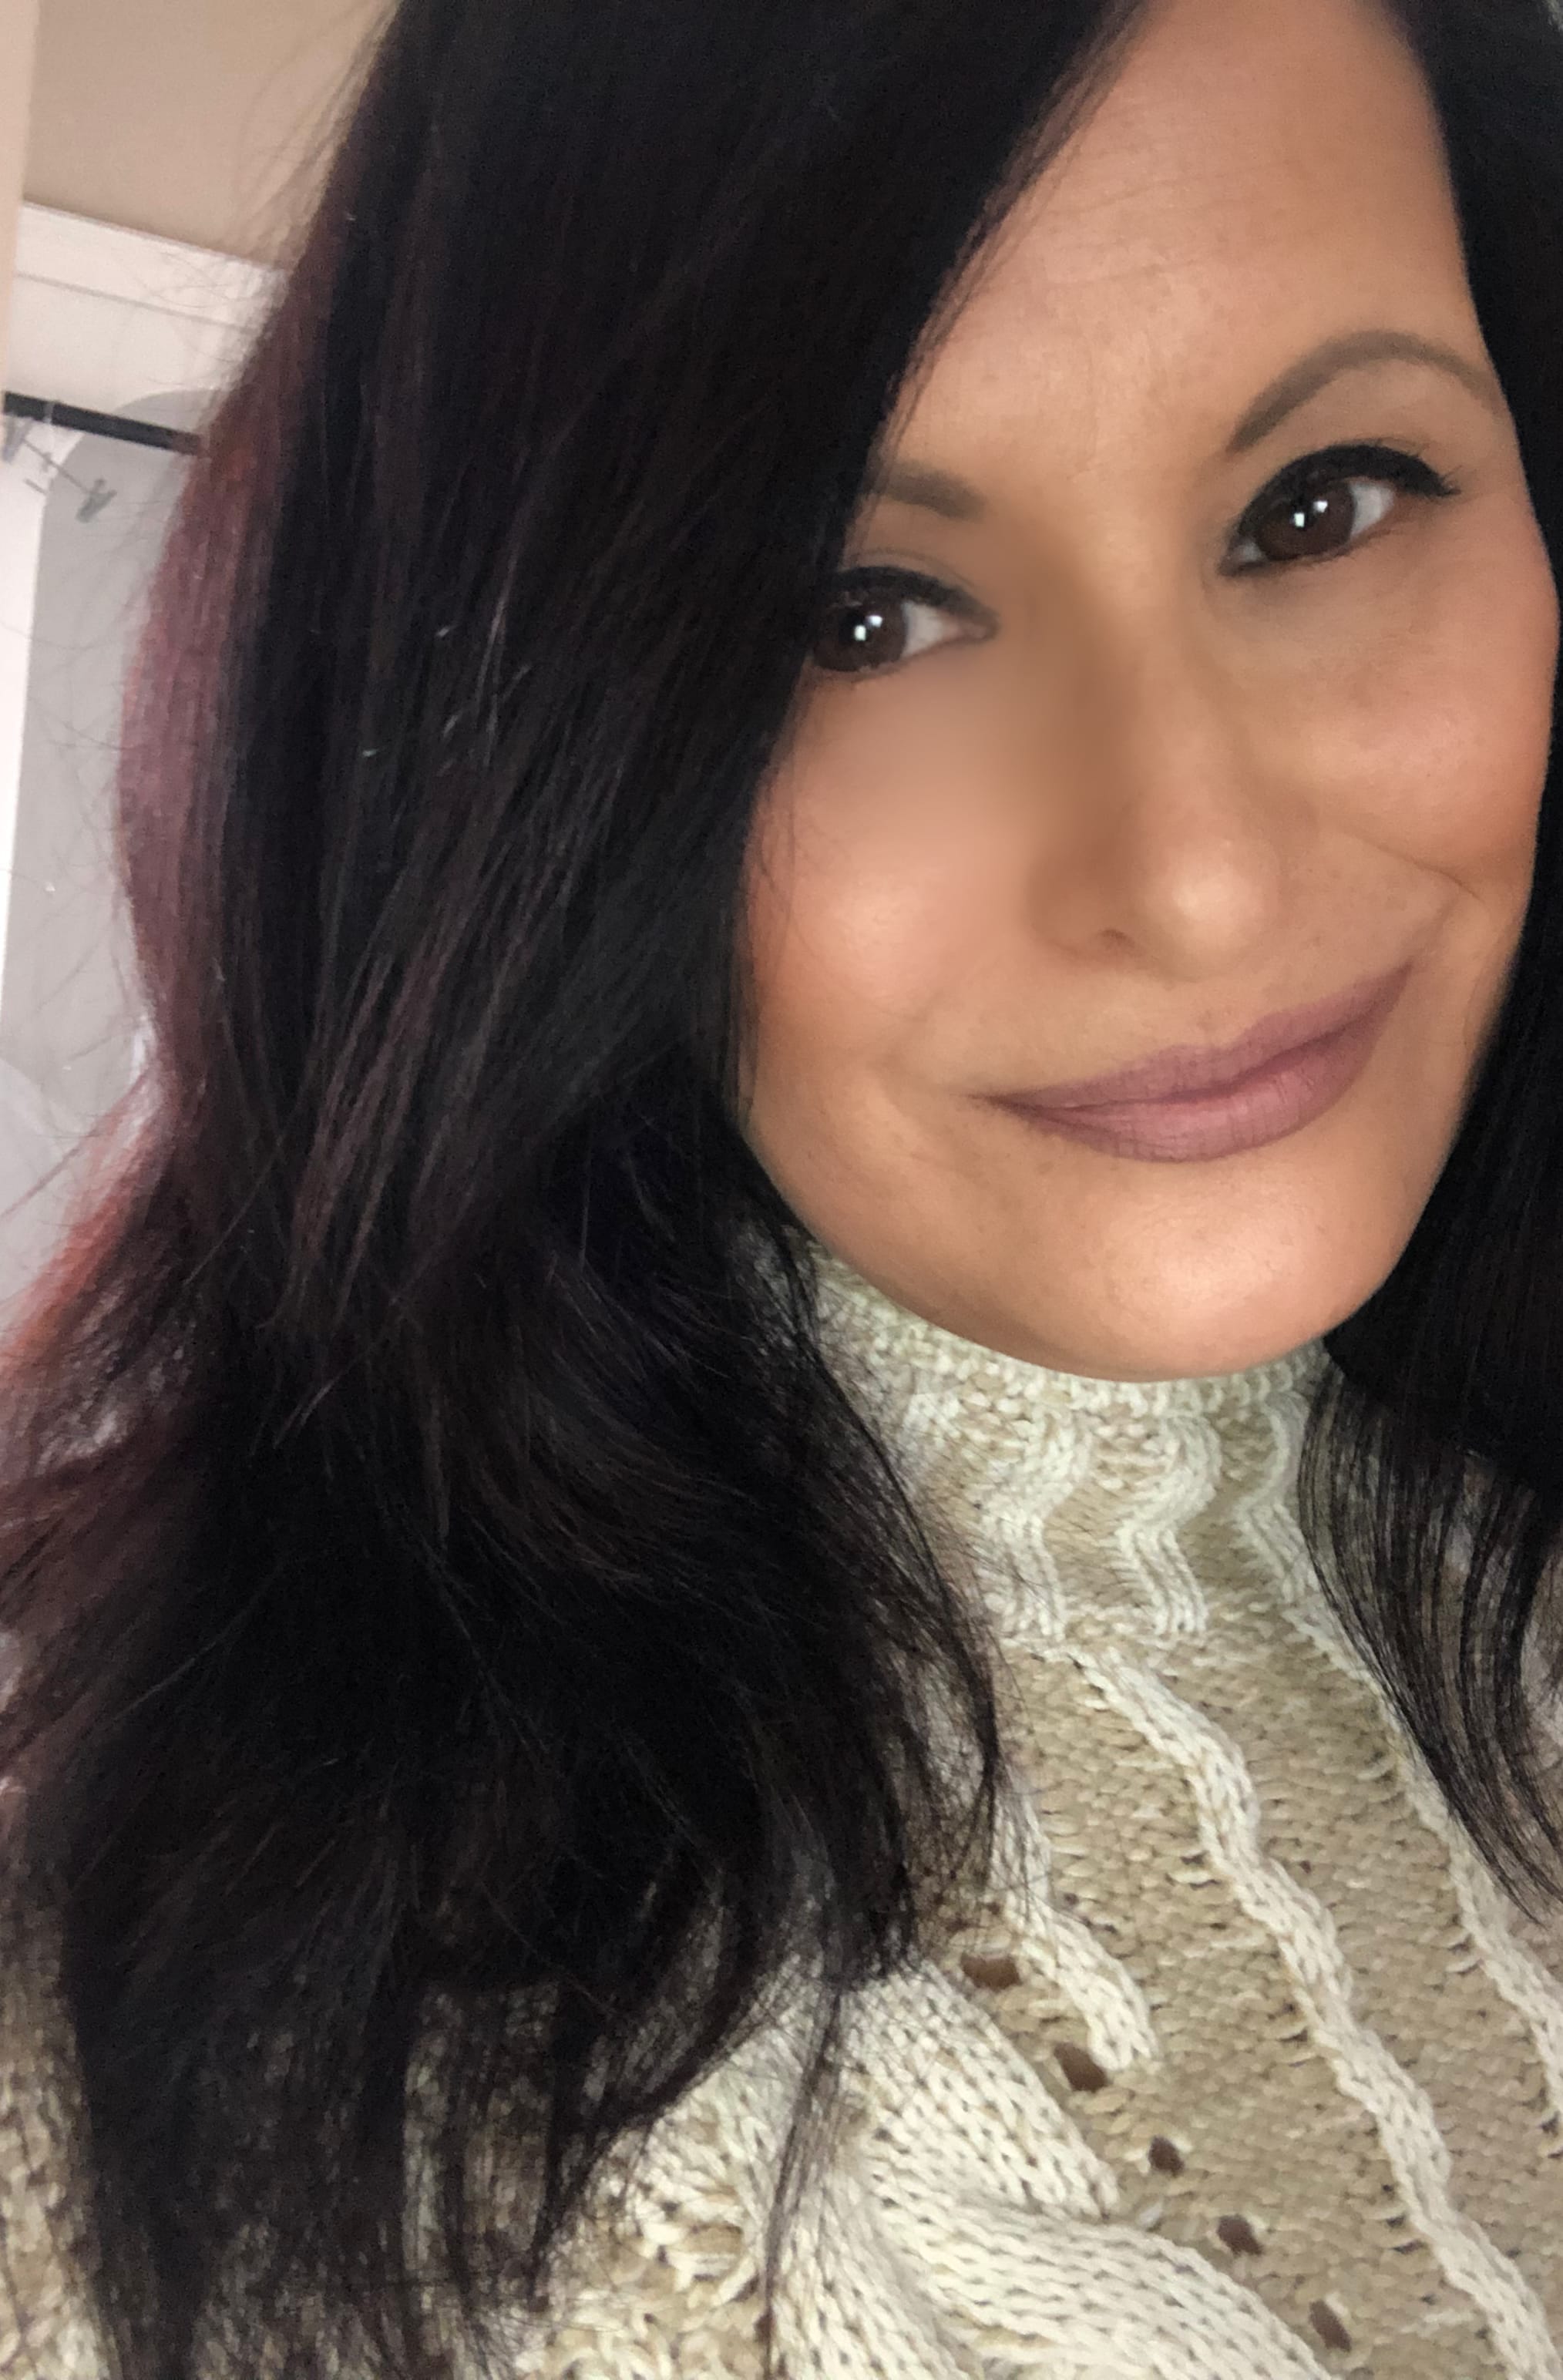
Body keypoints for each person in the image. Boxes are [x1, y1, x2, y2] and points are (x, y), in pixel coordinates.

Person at [1, 0, 1562, 2370]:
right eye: (862, 616)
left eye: (1321, 501)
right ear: (511, 773)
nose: (1196, 880)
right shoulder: (147, 2083)